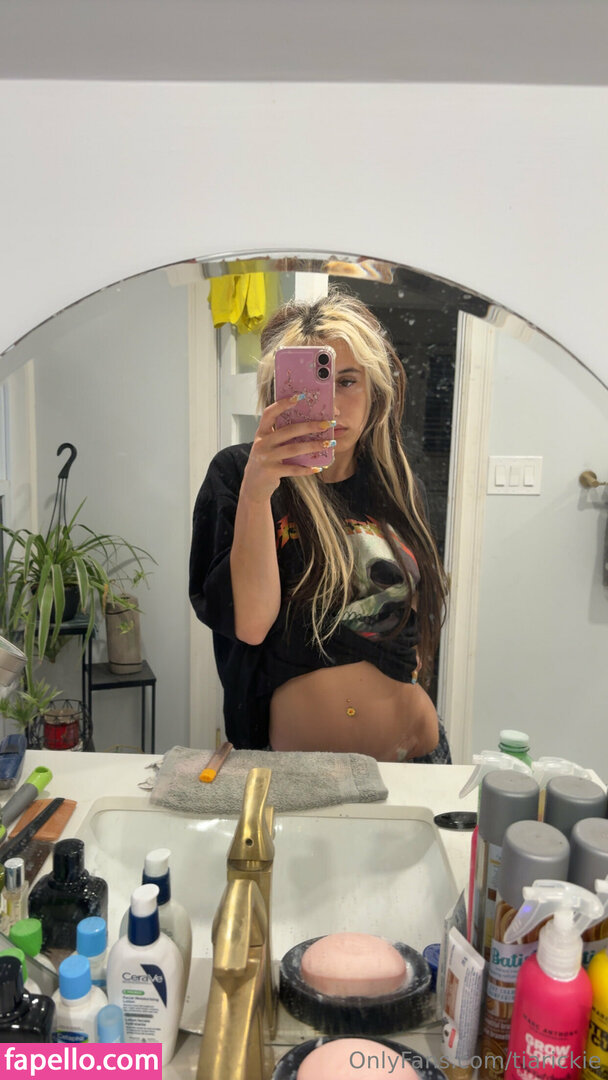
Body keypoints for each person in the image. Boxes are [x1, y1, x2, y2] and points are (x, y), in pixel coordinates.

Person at [189, 290, 451, 762]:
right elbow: (251, 624)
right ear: (277, 392)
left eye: (347, 381)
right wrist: (257, 492)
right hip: (299, 774)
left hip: (416, 759)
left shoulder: (396, 486)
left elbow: (409, 623)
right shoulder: (238, 475)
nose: (331, 404)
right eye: (312, 385)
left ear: (374, 391)